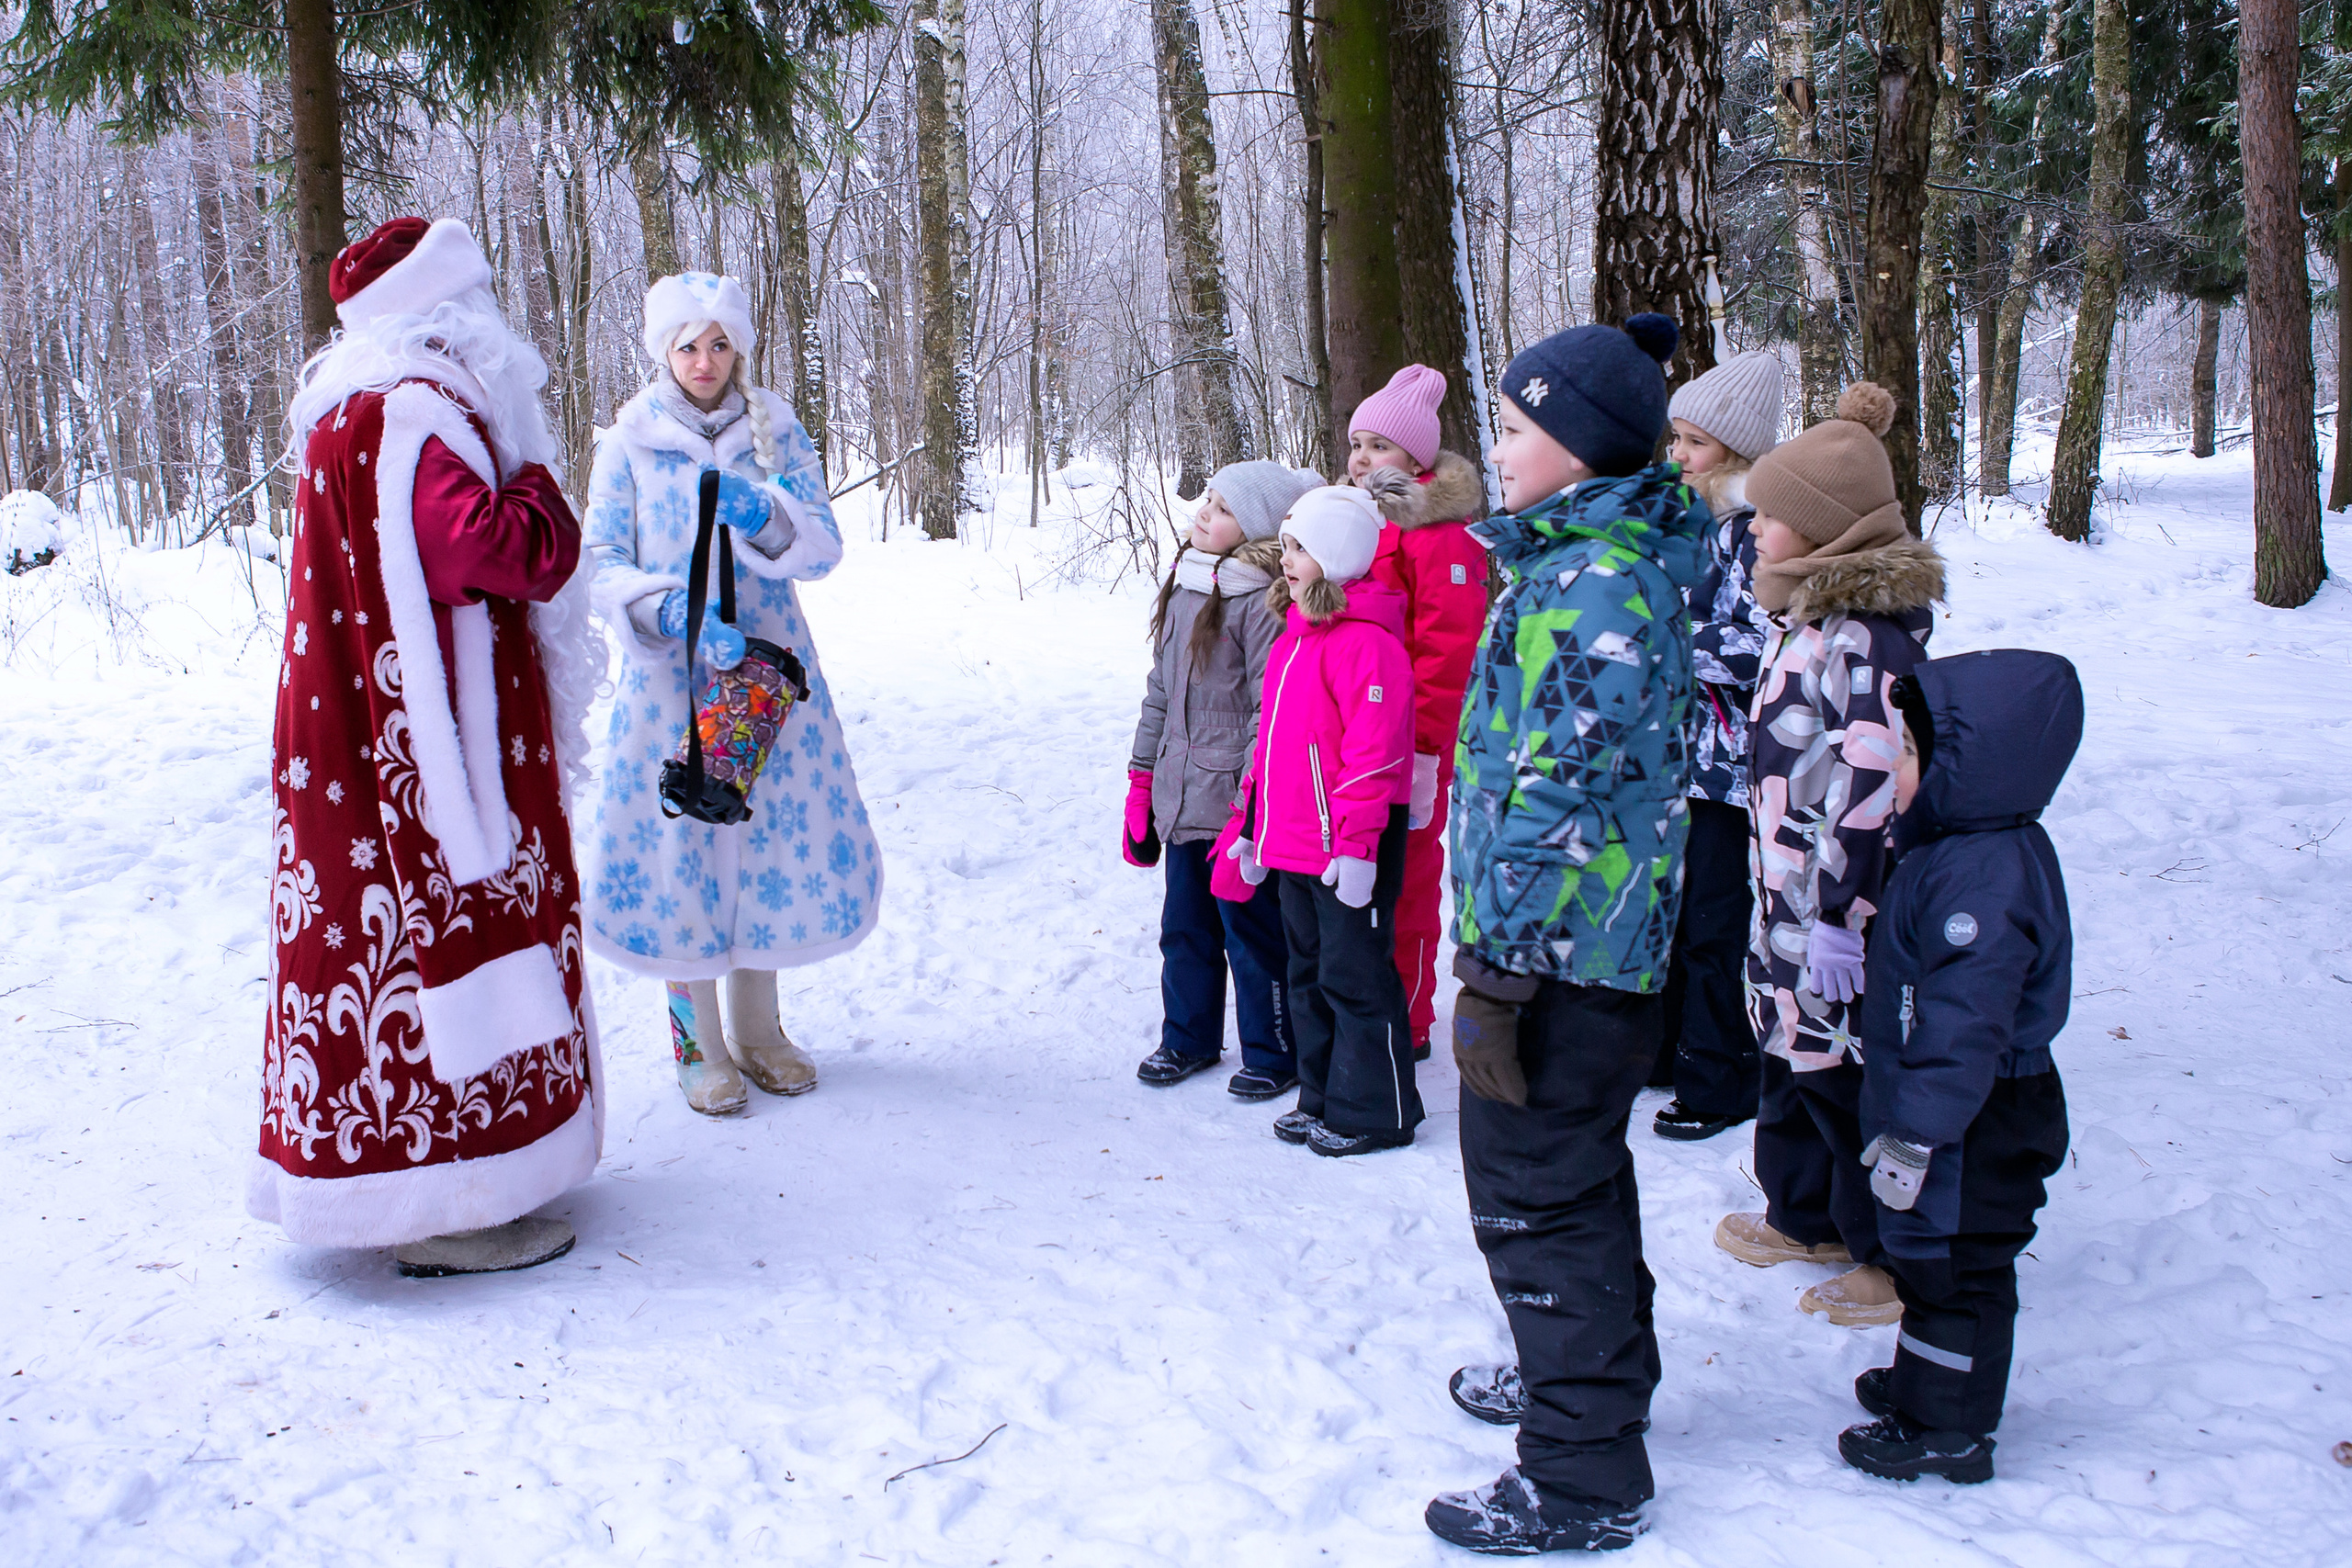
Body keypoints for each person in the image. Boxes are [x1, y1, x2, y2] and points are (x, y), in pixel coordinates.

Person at [251, 217, 604, 1278]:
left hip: (354, 742)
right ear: (450, 317)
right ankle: (449, 1201)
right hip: (434, 754)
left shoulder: (342, 413)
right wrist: (540, 488)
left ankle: (395, 1178)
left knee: (369, 946)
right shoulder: (418, 414)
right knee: (426, 936)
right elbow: (495, 549)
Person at [1423, 314, 1705, 1555]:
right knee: (1569, 1178)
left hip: (1560, 959)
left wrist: (1499, 967)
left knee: (1540, 1196)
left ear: (1581, 449)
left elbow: (1563, 794)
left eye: (1518, 426)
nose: (1500, 442)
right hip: (1568, 951)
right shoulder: (1570, 562)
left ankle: (1586, 1468)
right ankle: (1590, 1377)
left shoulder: (1600, 584)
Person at [582, 272, 880, 1116]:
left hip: (766, 680)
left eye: (719, 344)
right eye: (687, 345)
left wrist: (767, 516)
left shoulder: (777, 430)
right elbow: (596, 563)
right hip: (669, 684)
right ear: (662, 351)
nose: (705, 360)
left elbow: (823, 549)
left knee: (762, 845)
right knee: (683, 849)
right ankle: (695, 1041)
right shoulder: (628, 443)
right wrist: (664, 606)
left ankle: (759, 1029)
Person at [1713, 383, 1944, 1329]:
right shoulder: (1799, 620)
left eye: (1771, 515)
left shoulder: (1866, 643)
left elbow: (1876, 793)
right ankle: (1804, 1214)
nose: (1754, 527)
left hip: (1835, 907)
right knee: (1787, 1057)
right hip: (1783, 894)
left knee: (1845, 1081)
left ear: (1824, 530)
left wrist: (1849, 916)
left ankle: (1888, 1254)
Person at [1838, 649, 2078, 1484]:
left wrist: (1917, 1133)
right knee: (1930, 1255)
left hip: (1979, 1112)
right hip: (1952, 1102)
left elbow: (1967, 1024)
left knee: (1960, 1266)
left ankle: (1951, 1425)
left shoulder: (1984, 878)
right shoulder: (1963, 848)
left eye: (1909, 753)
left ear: (1970, 767)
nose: (1895, 767)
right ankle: (1930, 1381)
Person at [1218, 486, 1420, 1156]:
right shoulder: (1294, 640)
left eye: (1301, 547)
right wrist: (1251, 825)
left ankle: (1377, 1108)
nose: (1288, 558)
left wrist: (1360, 846)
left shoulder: (1369, 646)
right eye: (1287, 545)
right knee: (1308, 975)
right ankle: (1323, 1093)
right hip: (1295, 846)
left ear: (1337, 555)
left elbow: (1373, 754)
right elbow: (1272, 750)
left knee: (1354, 976)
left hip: (1346, 849)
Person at [1126, 460, 1322, 1099]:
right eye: (1206, 499)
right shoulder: (1186, 588)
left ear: (1256, 528)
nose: (1203, 512)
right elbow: (1159, 693)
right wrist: (1140, 780)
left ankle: (1273, 1050)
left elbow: (1269, 711)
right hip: (1179, 798)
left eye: (1223, 507)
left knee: (1251, 937)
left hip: (1236, 809)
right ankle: (1187, 1037)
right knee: (1183, 928)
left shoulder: (1263, 600)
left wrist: (1251, 805)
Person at [1341, 365, 1492, 1059]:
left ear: (1417, 459)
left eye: (1379, 446)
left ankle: (1409, 1017)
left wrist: (1430, 750)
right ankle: (1359, 1005)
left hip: (1410, 744)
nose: (1362, 458)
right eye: (1357, 443)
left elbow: (1447, 651)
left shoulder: (1441, 536)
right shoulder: (1354, 522)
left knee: (1407, 884)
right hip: (1352, 735)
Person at [1650, 353, 1781, 1139]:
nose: (1678, 454)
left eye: (1694, 442)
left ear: (1733, 450)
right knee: (1668, 914)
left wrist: (1664, 641)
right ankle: (1668, 1051)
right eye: (1676, 438)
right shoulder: (1683, 521)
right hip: (1669, 760)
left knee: (1713, 923)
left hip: (1725, 773)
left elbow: (1759, 639)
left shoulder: (1753, 532)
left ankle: (1722, 1073)